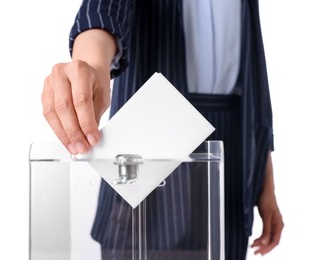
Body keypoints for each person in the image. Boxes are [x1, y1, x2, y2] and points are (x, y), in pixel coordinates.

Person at [42, 0, 284, 259]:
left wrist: (265, 184)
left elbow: (253, 77)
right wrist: (90, 65)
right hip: (151, 148)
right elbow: (106, 8)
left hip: (232, 159)